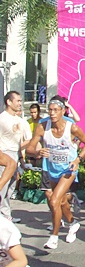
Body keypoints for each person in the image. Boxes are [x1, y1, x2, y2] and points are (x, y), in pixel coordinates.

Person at [26, 96, 85, 249]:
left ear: (63, 111)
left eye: (56, 110)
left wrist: (78, 159)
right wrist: (38, 153)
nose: (52, 113)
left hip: (67, 170)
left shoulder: (72, 127)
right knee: (61, 201)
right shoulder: (43, 126)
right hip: (51, 169)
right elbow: (29, 148)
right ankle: (72, 222)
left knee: (54, 200)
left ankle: (54, 237)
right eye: (50, 110)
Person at [0, 91, 31, 223]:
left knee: (11, 187)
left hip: (15, 155)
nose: (20, 103)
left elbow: (28, 140)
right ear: (9, 102)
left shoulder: (21, 121)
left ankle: (6, 214)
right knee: (3, 185)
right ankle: (3, 215)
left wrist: (20, 155)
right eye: (17, 101)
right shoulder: (2, 119)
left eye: (20, 101)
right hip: (4, 155)